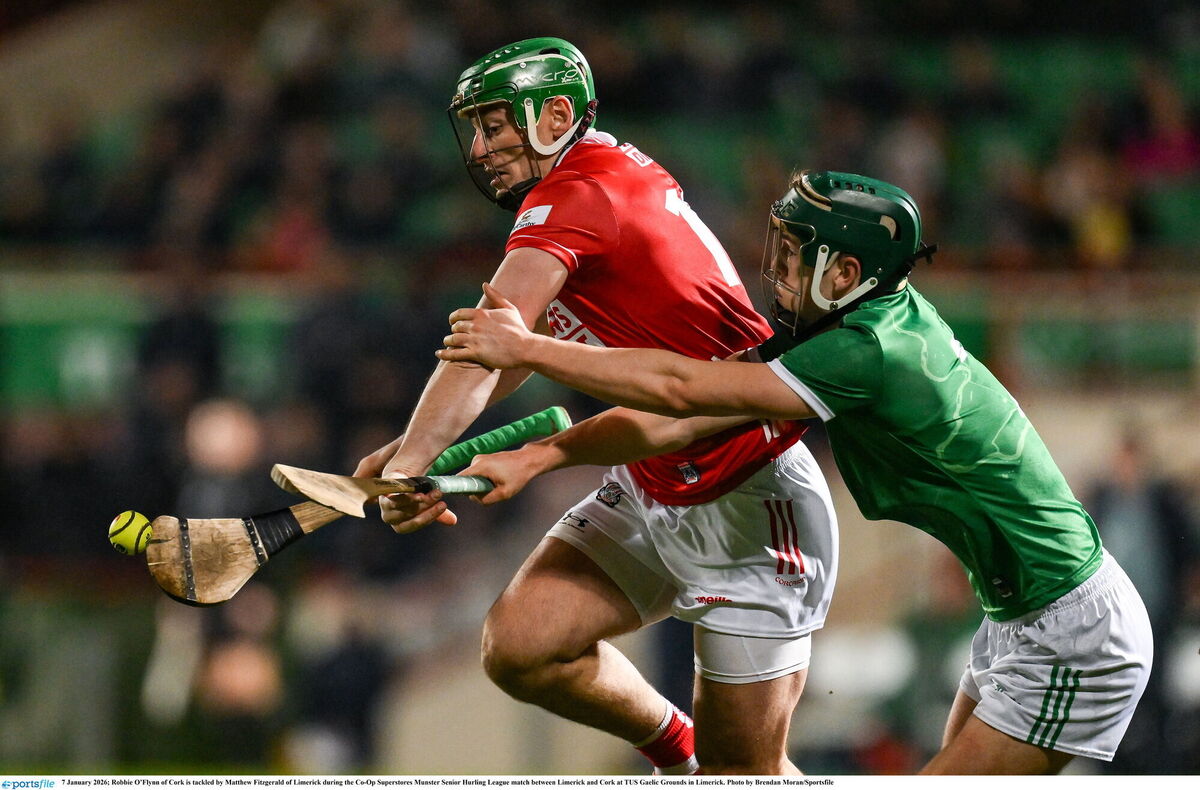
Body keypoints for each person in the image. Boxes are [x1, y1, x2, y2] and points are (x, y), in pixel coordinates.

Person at [438, 169, 1155, 775]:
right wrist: (542, 455)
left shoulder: (860, 354)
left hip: (1071, 630)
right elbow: (687, 418)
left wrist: (529, 348)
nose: (775, 270)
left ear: (846, 273)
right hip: (1016, 614)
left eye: (794, 254)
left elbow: (679, 389)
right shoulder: (854, 326)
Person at [354, 38, 839, 775]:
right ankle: (679, 756)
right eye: (475, 130)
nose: (481, 148)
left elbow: (494, 338)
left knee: (745, 776)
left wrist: (418, 457)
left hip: (748, 492)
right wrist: (416, 441)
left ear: (554, 114)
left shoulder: (577, 193)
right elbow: (520, 341)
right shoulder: (593, 177)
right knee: (522, 647)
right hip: (653, 472)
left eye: (495, 124)